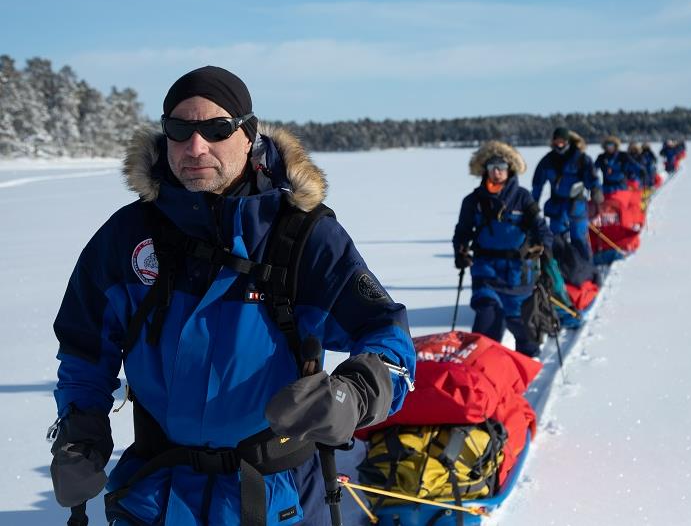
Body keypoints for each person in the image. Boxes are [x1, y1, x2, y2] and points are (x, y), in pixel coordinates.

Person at [49, 66, 416, 526]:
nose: (195, 146)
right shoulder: (127, 236)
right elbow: (85, 352)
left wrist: (355, 393)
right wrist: (80, 433)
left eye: (216, 129)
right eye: (180, 130)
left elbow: (388, 335)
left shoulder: (303, 236)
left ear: (248, 134)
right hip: (156, 495)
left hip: (278, 497)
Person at [453, 141, 553, 356]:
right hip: (485, 271)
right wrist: (460, 252)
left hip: (518, 274)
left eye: (501, 168)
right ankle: (481, 378)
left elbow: (542, 230)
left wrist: (546, 254)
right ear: (485, 170)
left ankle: (524, 379)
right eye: (492, 168)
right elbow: (462, 232)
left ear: (510, 170)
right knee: (486, 325)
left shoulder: (523, 198)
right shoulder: (473, 201)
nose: (497, 172)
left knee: (526, 334)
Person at [531, 127, 602, 262]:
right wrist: (532, 204)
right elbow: (537, 184)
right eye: (556, 141)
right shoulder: (547, 161)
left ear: (568, 142)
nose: (559, 144)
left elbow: (592, 178)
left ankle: (586, 269)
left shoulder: (580, 158)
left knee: (579, 238)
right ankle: (560, 270)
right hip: (557, 206)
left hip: (577, 205)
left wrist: (595, 190)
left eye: (562, 141)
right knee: (556, 240)